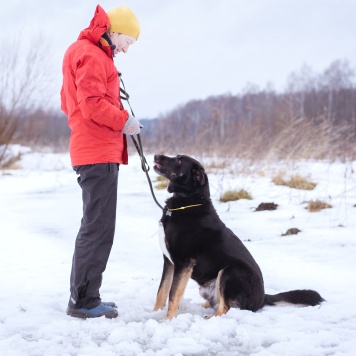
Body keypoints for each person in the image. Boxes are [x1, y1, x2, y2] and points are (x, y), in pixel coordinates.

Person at [60, 4, 141, 319]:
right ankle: (83, 301)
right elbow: (92, 104)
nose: (127, 49)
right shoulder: (93, 55)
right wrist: (125, 121)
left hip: (91, 148)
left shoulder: (82, 51)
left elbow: (69, 103)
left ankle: (86, 296)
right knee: (98, 228)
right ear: (116, 30)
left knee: (96, 226)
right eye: (128, 41)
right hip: (97, 152)